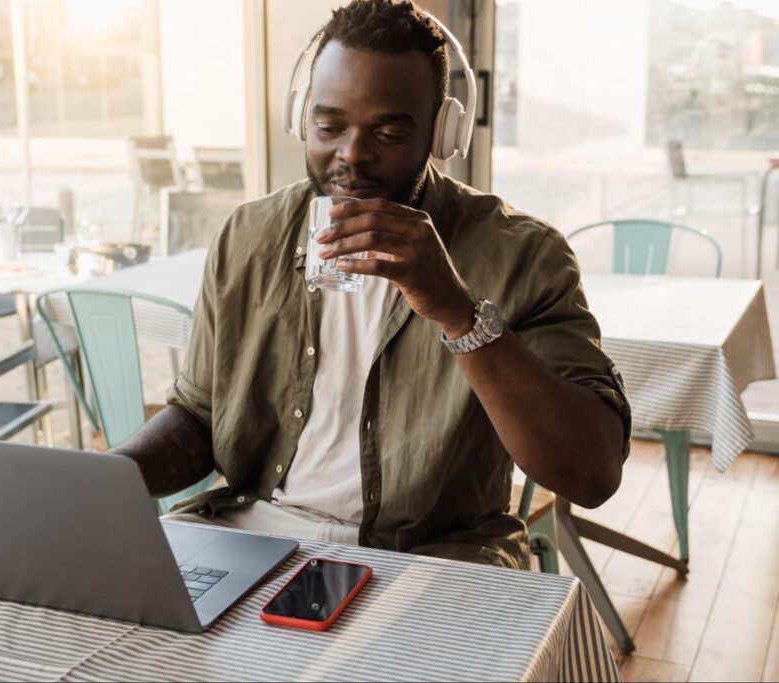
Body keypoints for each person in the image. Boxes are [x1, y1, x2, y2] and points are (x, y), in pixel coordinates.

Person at [109, 0, 630, 570]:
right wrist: (112, 476)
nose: (352, 155)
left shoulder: (525, 255)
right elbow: (200, 414)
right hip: (250, 531)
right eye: (329, 126)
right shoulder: (248, 235)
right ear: (301, 117)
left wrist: (456, 310)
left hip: (433, 555)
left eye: (387, 131)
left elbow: (591, 475)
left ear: (443, 131)